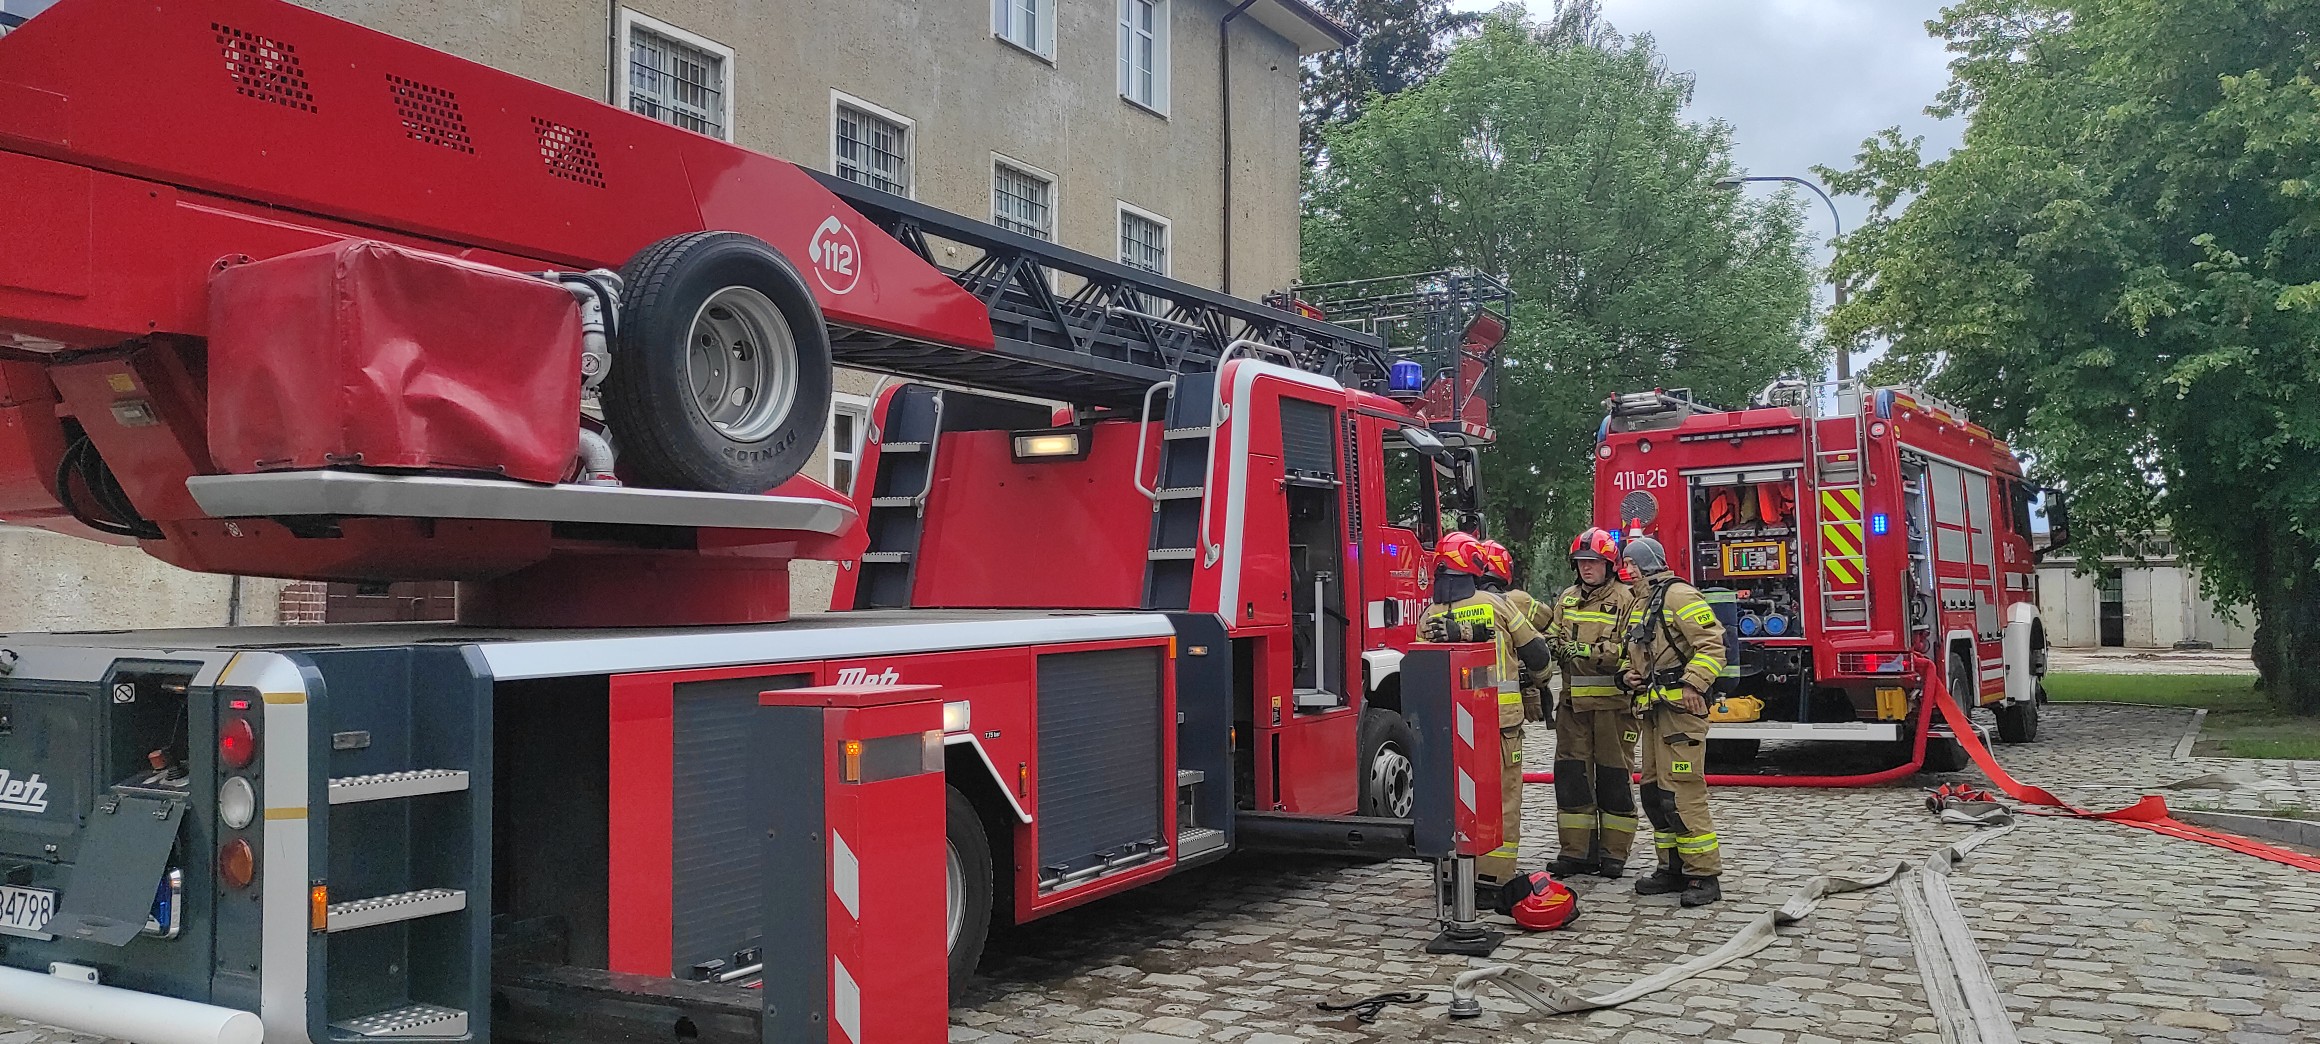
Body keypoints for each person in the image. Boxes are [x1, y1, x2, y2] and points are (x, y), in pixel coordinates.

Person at [1419, 531, 1555, 909]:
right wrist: (1539, 683)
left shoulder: (1428, 616)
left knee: (1455, 800)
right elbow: (1539, 655)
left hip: (1448, 727)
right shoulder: (1497, 605)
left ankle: (1452, 876)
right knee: (1502, 799)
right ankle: (1493, 876)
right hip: (1498, 724)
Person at [1615, 535, 1727, 907]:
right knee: (1655, 792)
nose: (1625, 571)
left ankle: (1703, 874)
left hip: (1681, 711)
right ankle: (1671, 867)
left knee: (1683, 790)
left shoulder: (1680, 596)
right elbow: (1632, 652)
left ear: (1647, 563)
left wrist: (1695, 681)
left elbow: (1712, 645)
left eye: (1630, 564)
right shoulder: (1640, 603)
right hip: (1652, 711)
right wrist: (1626, 675)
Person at [1542, 527, 1641, 880]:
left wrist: (1589, 651)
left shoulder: (1626, 600)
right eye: (1582, 562)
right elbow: (1553, 635)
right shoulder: (1567, 598)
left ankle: (1614, 855)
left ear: (1609, 565)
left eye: (1594, 563)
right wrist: (1550, 646)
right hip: (1572, 709)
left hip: (1613, 709)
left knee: (1614, 781)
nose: (1587, 568)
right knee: (1572, 781)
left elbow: (1633, 649)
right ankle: (1577, 852)